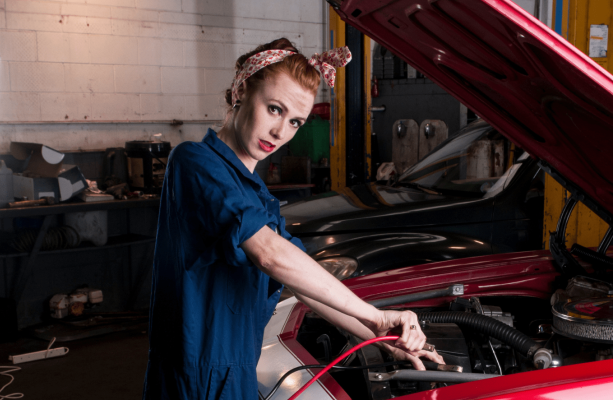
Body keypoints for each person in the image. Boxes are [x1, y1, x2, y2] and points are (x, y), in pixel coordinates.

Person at [142, 38, 443, 400]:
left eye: (296, 121)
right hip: (192, 377)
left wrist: (382, 338)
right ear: (241, 91)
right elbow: (269, 254)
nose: (280, 132)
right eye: (274, 109)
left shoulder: (257, 195)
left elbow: (303, 286)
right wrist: (377, 317)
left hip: (234, 374)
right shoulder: (194, 162)